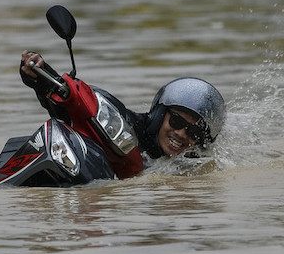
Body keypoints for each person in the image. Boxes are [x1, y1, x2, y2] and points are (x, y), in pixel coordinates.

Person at [20, 50, 225, 175]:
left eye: (194, 132)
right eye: (177, 121)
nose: (181, 134)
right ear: (160, 114)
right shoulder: (125, 126)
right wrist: (40, 76)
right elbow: (80, 106)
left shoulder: (196, 163)